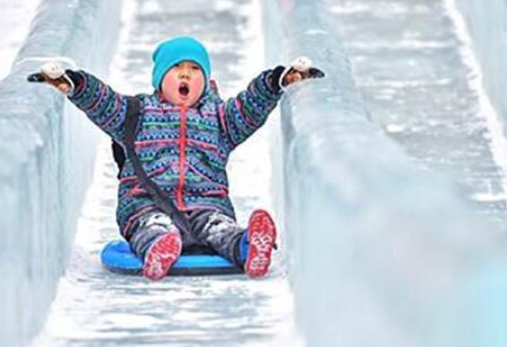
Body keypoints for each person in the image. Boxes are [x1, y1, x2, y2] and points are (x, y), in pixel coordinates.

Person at [36, 36, 322, 280]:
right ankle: (160, 246)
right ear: (160, 80)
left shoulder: (220, 120)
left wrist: (275, 81)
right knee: (152, 225)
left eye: (195, 69)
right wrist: (76, 84)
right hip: (146, 203)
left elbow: (250, 105)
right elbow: (103, 101)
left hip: (206, 204)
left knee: (219, 228)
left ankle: (249, 245)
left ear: (207, 80)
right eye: (177, 68)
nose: (186, 75)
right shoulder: (136, 114)